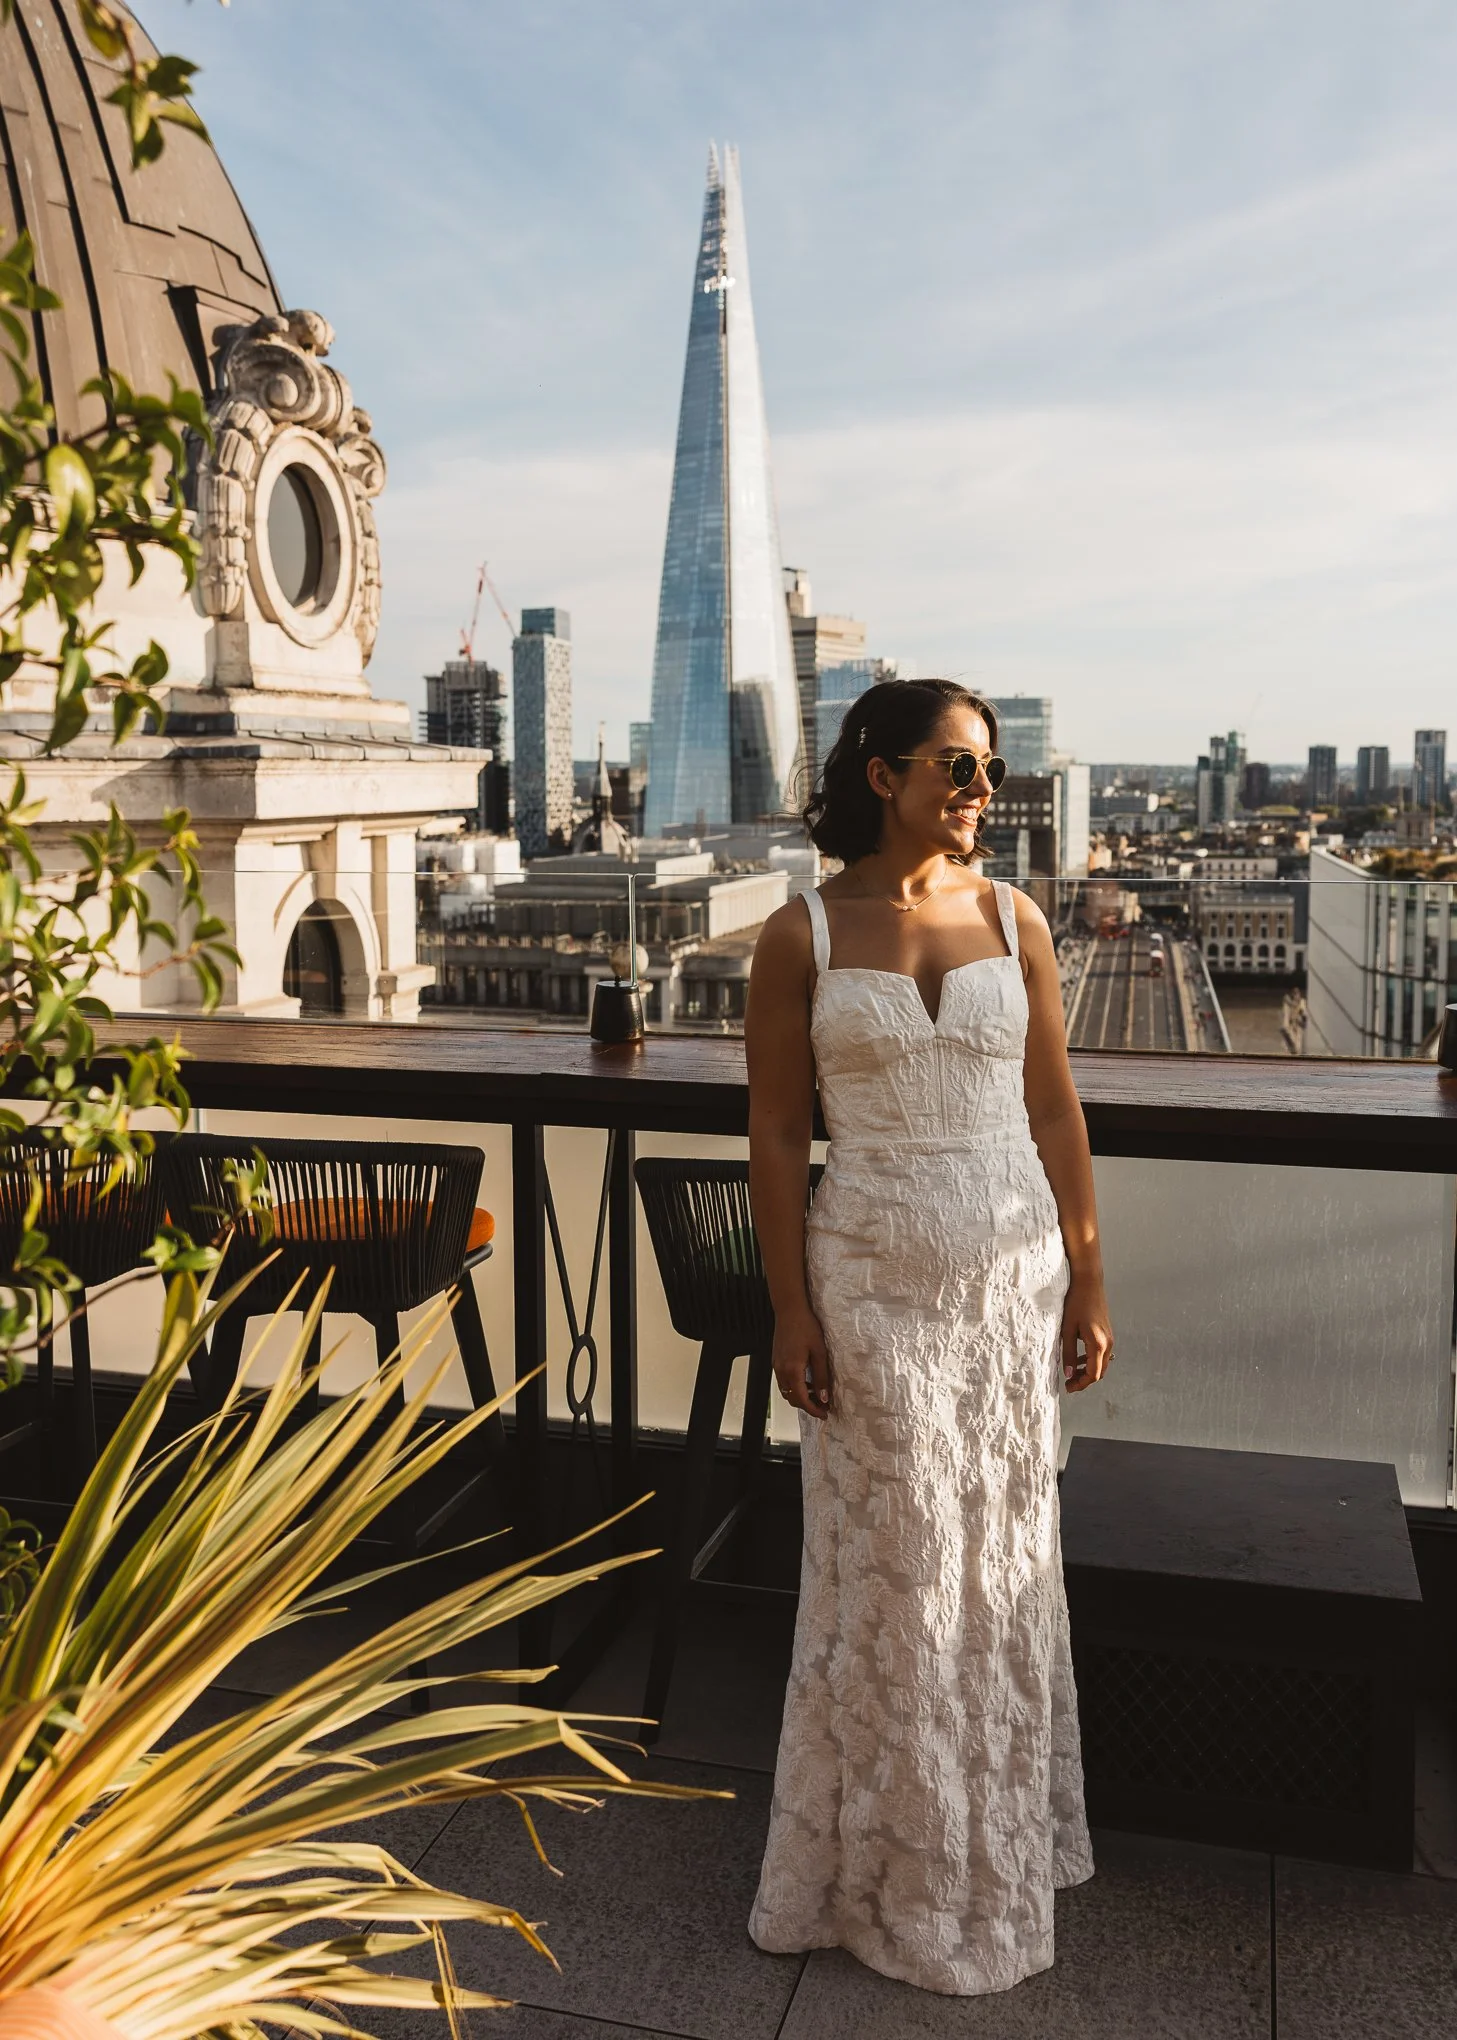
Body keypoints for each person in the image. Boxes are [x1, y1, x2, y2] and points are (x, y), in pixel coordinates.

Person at [744, 678, 1113, 1996]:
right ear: (883, 773)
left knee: (1000, 1550)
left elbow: (1059, 1111)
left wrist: (1086, 1275)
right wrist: (789, 1304)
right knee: (901, 1565)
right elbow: (780, 1135)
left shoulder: (1016, 919)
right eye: (958, 768)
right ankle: (892, 1870)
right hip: (871, 1283)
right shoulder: (799, 934)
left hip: (1008, 1288)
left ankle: (996, 1838)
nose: (980, 792)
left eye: (990, 770)